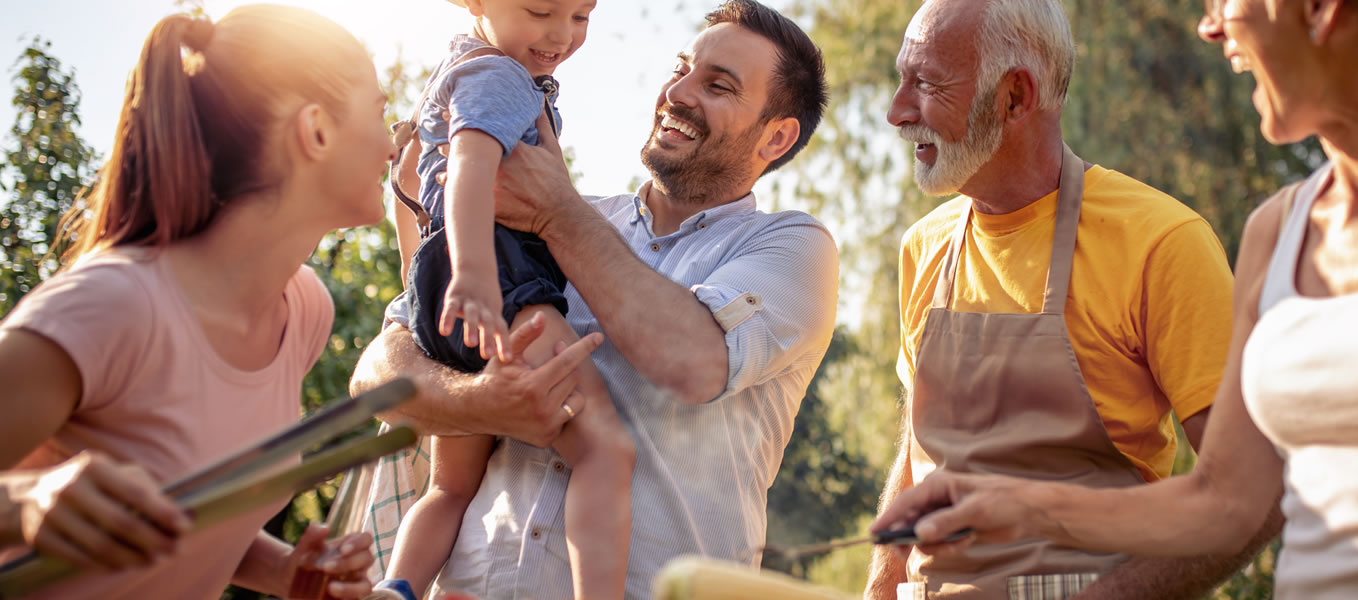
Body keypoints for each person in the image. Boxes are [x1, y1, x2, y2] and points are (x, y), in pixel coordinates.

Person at [873, 0, 1358, 597]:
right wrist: (1008, 511)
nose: (1209, 25)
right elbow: (1229, 500)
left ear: (1320, 11)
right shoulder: (1275, 231)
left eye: (1227, 1)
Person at [350, 1, 837, 598]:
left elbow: (692, 362)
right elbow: (379, 374)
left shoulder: (793, 248)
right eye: (682, 68)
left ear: (777, 136)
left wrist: (559, 213)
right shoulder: (556, 215)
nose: (678, 92)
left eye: (717, 86)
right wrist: (483, 403)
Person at [861, 0, 1277, 598]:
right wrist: (880, 586)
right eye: (902, 80)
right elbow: (918, 450)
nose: (897, 112)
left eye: (926, 84)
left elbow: (1253, 497)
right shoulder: (923, 247)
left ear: (1014, 97)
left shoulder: (1161, 242)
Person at [0, 6, 392, 599]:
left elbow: (178, 508)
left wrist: (284, 572)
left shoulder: (302, 312)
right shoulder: (112, 306)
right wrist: (25, 503)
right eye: (380, 113)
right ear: (315, 130)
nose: (392, 144)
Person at [376, 0, 634, 598]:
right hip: (499, 276)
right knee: (604, 451)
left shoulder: (460, 65)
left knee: (449, 488)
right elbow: (470, 164)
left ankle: (397, 587)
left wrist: (438, 285)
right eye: (540, 10)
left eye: (581, 16)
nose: (559, 34)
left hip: (446, 286)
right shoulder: (501, 75)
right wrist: (475, 276)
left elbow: (417, 197)